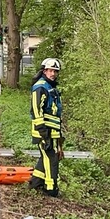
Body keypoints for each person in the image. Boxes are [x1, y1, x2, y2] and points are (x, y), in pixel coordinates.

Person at [29, 58, 64, 197]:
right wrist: (43, 132)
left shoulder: (51, 87)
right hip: (44, 131)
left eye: (55, 71)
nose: (53, 74)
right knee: (51, 159)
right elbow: (36, 110)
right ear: (44, 71)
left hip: (52, 131)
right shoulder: (40, 87)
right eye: (50, 71)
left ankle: (35, 183)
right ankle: (50, 188)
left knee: (46, 157)